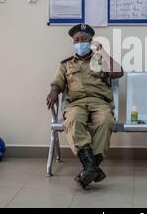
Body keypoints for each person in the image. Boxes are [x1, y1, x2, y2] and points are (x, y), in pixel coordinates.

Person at [46, 24, 123, 189]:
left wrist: (101, 51)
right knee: (73, 119)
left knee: (105, 120)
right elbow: (57, 83)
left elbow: (119, 72)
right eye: (76, 40)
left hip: (100, 102)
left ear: (91, 41)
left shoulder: (101, 60)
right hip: (76, 104)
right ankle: (92, 168)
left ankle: (89, 168)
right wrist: (53, 91)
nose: (80, 42)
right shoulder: (66, 65)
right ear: (73, 42)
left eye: (84, 39)